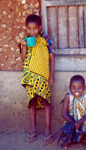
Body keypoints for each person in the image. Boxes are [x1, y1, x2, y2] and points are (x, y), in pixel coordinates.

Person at [20, 14, 55, 145]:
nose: (32, 31)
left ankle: (48, 130)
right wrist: (24, 46)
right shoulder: (25, 40)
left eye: (35, 28)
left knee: (46, 102)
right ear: (26, 29)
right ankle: (33, 129)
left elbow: (51, 58)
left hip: (44, 77)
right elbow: (23, 59)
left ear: (40, 28)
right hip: (31, 77)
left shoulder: (46, 39)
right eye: (29, 28)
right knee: (32, 102)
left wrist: (51, 76)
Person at [61, 75, 86, 148]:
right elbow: (63, 113)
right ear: (69, 88)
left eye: (79, 87)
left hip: (83, 122)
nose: (76, 90)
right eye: (73, 87)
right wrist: (74, 124)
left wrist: (80, 122)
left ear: (84, 88)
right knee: (67, 129)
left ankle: (84, 136)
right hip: (70, 122)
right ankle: (69, 137)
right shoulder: (68, 96)